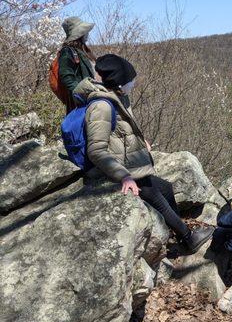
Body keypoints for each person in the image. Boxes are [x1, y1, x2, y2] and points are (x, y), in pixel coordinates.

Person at [74, 53, 212, 253]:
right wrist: (125, 177)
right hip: (111, 172)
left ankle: (175, 232)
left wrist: (141, 141)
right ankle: (188, 238)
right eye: (130, 81)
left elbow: (121, 132)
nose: (133, 84)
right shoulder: (101, 107)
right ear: (118, 82)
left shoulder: (116, 97)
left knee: (164, 187)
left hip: (126, 165)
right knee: (153, 193)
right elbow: (96, 150)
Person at [59, 16, 97, 113]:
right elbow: (67, 77)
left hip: (91, 98)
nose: (87, 34)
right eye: (85, 31)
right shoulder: (67, 51)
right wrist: (81, 94)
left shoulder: (83, 50)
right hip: (81, 103)